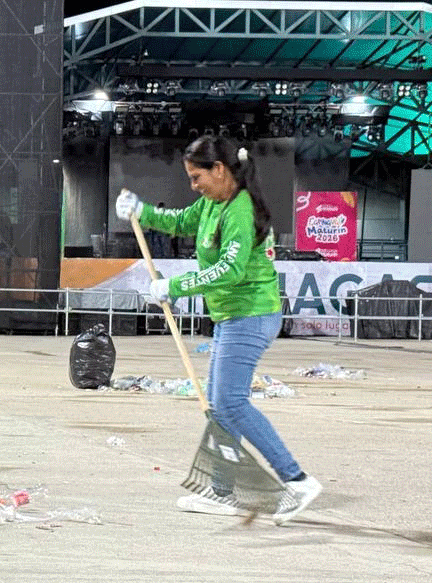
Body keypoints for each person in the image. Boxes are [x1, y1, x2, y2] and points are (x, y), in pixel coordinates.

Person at [115, 135, 321, 525]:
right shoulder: (212, 204)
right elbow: (179, 221)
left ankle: (297, 480)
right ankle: (224, 492)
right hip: (230, 317)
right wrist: (141, 211)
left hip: (251, 315)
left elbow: (231, 270)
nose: (194, 185)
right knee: (219, 404)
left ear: (220, 170)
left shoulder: (239, 209)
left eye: (197, 177)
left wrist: (174, 286)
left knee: (232, 404)